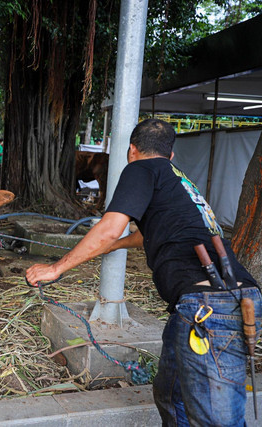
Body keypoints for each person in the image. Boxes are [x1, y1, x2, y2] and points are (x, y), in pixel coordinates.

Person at [26, 118, 260, 425]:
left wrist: (56, 268)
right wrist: (115, 246)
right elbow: (154, 231)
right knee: (170, 396)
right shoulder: (180, 181)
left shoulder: (139, 168)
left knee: (216, 421)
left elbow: (108, 228)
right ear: (171, 155)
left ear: (131, 150)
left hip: (209, 308)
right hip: (215, 301)